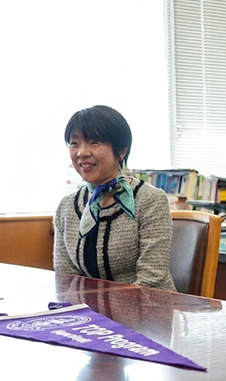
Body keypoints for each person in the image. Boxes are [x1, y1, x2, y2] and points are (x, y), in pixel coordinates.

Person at [54, 105, 176, 291]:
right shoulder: (67, 206)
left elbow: (152, 279)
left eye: (94, 142)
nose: (82, 152)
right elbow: (65, 278)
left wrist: (107, 317)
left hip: (147, 312)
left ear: (121, 151)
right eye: (75, 143)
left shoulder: (150, 200)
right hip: (90, 315)